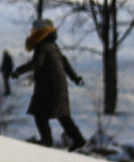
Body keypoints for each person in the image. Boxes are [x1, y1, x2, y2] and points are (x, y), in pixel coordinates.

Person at [12, 18, 87, 151]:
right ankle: (78, 139)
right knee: (62, 115)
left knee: (39, 113)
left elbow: (37, 63)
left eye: (34, 29)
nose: (31, 31)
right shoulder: (52, 45)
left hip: (49, 87)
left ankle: (46, 140)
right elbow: (64, 62)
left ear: (41, 31)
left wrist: (18, 71)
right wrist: (75, 78)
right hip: (59, 85)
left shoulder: (42, 45)